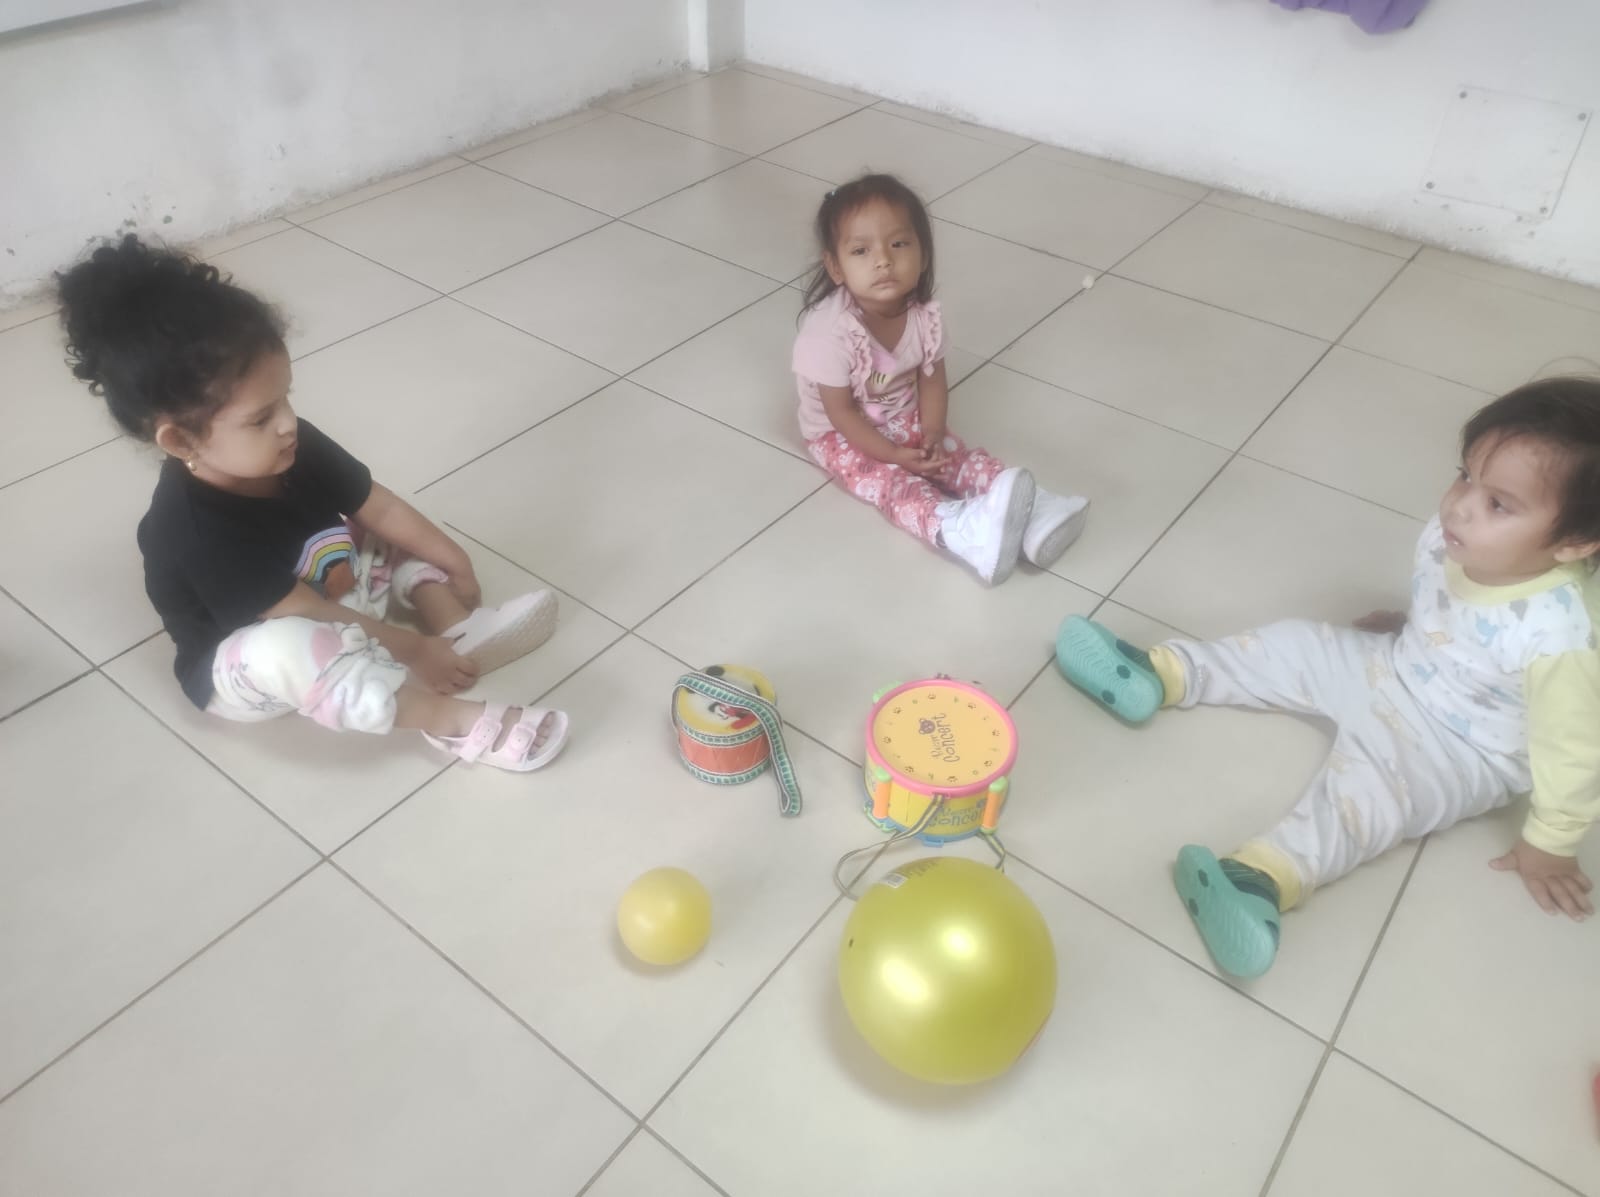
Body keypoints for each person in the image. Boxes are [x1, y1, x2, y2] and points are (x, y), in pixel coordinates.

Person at [1056, 377, 1600, 977]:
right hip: (1398, 663)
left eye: (1499, 503)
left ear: (1574, 542)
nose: (1461, 504)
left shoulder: (1562, 638)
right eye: (1465, 475)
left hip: (1463, 748)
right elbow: (1466, 613)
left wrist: (1551, 844)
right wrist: (1418, 625)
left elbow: (1574, 750)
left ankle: (1260, 880)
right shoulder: (1463, 536)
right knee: (1293, 643)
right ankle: (1160, 673)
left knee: (1367, 799)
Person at [57, 235, 568, 771]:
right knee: (290, 647)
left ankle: (454, 624)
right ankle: (450, 719)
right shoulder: (188, 532)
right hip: (258, 661)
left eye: (286, 398)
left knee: (377, 531)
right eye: (261, 418)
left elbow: (381, 508)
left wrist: (454, 561)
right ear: (182, 441)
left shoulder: (288, 441)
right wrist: (412, 651)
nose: (287, 424)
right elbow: (304, 613)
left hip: (333, 592)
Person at [793, 174, 1088, 585]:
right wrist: (893, 454)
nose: (883, 260)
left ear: (923, 254)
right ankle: (959, 528)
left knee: (948, 453)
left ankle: (1033, 509)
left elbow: (932, 380)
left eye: (899, 244)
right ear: (835, 267)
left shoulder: (923, 316)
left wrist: (931, 430)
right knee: (887, 479)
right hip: (839, 433)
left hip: (899, 413)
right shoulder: (829, 333)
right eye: (861, 250)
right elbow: (841, 413)